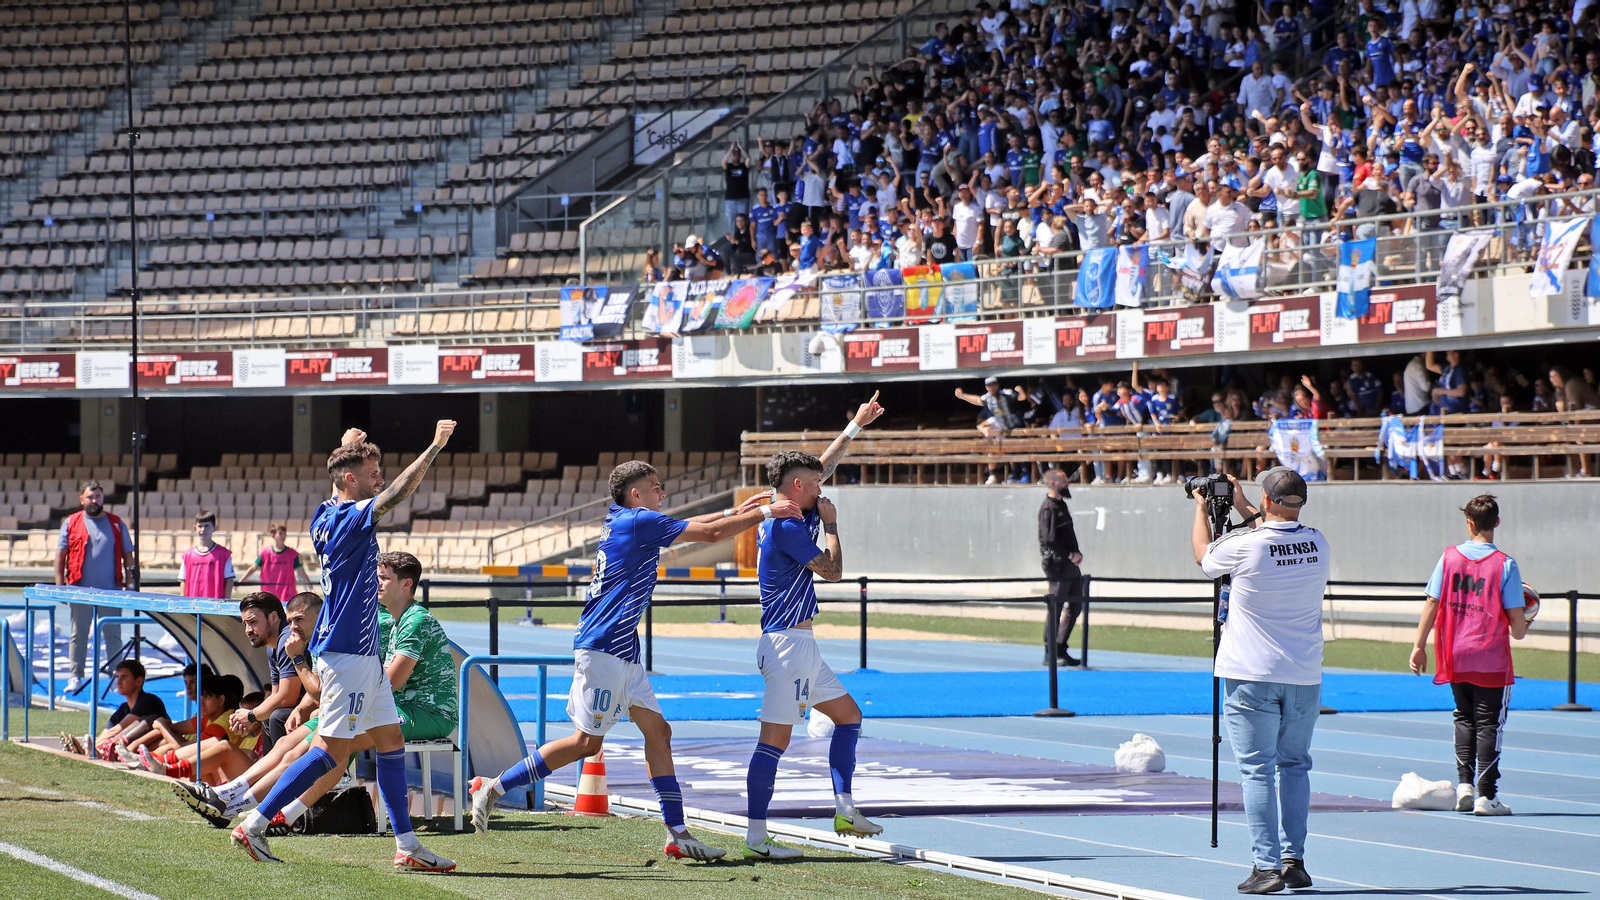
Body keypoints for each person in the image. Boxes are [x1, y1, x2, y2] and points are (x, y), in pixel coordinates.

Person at [469, 462, 803, 860]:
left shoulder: (631, 520)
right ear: (635, 495)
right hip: (605, 647)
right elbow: (708, 534)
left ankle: (677, 833)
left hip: (624, 650)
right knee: (585, 744)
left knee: (659, 733)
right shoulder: (638, 522)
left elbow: (692, 524)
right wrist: (765, 512)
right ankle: (493, 787)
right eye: (655, 487)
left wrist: (734, 512)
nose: (662, 493)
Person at [229, 421, 456, 870]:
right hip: (349, 655)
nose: (380, 479)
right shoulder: (354, 517)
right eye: (373, 472)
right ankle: (252, 825)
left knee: (391, 741)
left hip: (361, 657)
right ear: (353, 479)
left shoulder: (324, 513)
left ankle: (407, 846)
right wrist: (433, 446)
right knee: (329, 752)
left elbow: (344, 477)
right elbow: (398, 494)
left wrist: (350, 447)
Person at [743, 393, 887, 861]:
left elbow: (820, 464)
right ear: (799, 486)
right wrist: (834, 525)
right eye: (817, 485)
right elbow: (832, 571)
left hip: (800, 644)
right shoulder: (789, 525)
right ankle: (756, 838)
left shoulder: (788, 504)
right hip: (788, 646)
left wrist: (856, 427)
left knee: (848, 716)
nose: (824, 488)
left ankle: (845, 808)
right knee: (774, 743)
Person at [1192, 468, 1329, 894]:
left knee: (1256, 770)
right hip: (1304, 675)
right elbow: (1278, 526)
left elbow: (1203, 557)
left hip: (1252, 673)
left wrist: (1201, 507)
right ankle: (1294, 860)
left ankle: (1265, 865)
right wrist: (1242, 504)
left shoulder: (1243, 546)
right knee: (1295, 766)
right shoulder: (1319, 542)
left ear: (1266, 500)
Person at [1409, 494, 1528, 816]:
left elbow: (1432, 603)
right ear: (1497, 524)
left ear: (1469, 524)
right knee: (1490, 724)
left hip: (1455, 652)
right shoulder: (1505, 564)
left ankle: (1465, 786)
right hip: (1490, 655)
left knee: (1463, 717)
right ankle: (1486, 796)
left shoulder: (1448, 558)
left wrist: (1419, 645)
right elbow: (1516, 625)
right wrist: (1525, 624)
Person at [55, 480, 136, 694]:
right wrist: (59, 584)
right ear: (82, 499)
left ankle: (115, 678)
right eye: (90, 497)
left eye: (98, 496)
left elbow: (128, 555)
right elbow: (60, 554)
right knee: (78, 634)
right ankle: (75, 676)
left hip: (110, 591)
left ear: (103, 498)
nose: (94, 500)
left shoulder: (116, 523)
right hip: (79, 590)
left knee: (112, 634)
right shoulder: (71, 522)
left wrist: (131, 582)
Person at [231, 592, 302, 751]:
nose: (248, 630)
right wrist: (251, 719)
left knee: (277, 717)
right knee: (269, 717)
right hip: (297, 711)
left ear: (274, 617)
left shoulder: (287, 639)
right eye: (245, 624)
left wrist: (251, 715)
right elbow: (276, 695)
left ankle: (283, 772)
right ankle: (273, 768)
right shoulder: (272, 647)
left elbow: (287, 698)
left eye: (253, 622)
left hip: (315, 709)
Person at [68, 660, 169, 759]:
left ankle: (102, 751)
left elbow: (115, 731)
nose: (118, 682)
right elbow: (107, 732)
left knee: (138, 725)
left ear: (139, 681)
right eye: (117, 677)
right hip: (135, 749)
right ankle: (100, 751)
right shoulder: (124, 708)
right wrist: (92, 747)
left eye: (124, 677)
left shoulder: (149, 700)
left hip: (157, 747)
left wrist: (92, 749)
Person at [1038, 468, 1084, 666]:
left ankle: (1060, 645)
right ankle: (1050, 650)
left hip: (1070, 565)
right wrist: (1069, 554)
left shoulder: (1061, 505)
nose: (1068, 484)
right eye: (1064, 481)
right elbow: (1048, 539)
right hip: (1058, 565)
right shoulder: (1048, 508)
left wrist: (1075, 554)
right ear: (1053, 484)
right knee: (1056, 606)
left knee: (1076, 604)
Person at [235, 524, 313, 604]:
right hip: (268, 596)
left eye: (284, 533)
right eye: (280, 533)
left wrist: (311, 588)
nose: (283, 536)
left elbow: (301, 572)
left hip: (287, 595)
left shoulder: (292, 554)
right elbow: (253, 568)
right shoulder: (265, 553)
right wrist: (240, 582)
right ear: (273, 535)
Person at [181, 511, 235, 599]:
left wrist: (226, 601)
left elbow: (229, 580)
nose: (203, 529)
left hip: (215, 606)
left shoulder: (223, 554)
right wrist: (182, 602)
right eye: (200, 526)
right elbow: (183, 581)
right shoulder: (188, 555)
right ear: (195, 528)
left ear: (214, 528)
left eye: (207, 526)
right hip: (192, 606)